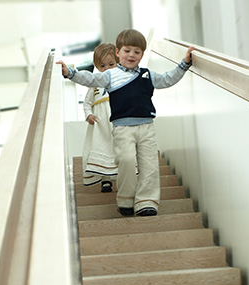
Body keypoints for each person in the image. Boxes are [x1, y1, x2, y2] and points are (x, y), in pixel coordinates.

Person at [57, 29, 194, 217]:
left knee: (149, 165)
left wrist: (184, 64)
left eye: (137, 52)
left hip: (147, 127)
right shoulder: (110, 75)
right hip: (122, 128)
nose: (131, 55)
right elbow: (90, 79)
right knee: (127, 161)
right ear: (118, 52)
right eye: (127, 50)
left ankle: (147, 201)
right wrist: (70, 73)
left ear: (142, 55)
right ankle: (126, 199)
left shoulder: (147, 74)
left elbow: (168, 79)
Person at [82, 43, 118, 192]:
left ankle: (122, 176)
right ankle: (105, 179)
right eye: (102, 66)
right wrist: (89, 115)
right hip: (100, 125)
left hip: (117, 121)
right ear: (97, 66)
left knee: (118, 148)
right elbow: (87, 103)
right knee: (102, 148)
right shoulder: (94, 84)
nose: (107, 68)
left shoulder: (121, 80)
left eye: (111, 64)